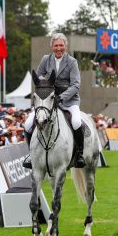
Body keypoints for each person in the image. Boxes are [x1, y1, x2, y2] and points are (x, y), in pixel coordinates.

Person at [23, 32, 85, 169]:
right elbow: (38, 77)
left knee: (76, 122)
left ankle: (79, 154)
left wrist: (62, 97)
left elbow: (76, 85)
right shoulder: (46, 59)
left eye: (61, 45)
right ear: (52, 47)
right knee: (27, 124)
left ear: (65, 47)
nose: (58, 48)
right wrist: (43, 86)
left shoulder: (72, 62)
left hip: (68, 100)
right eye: (56, 45)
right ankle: (30, 154)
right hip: (48, 100)